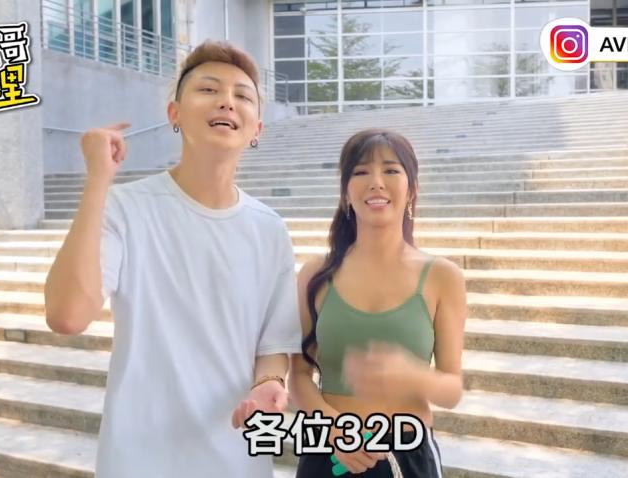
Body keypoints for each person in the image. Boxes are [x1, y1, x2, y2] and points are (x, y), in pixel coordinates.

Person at [44, 40, 302, 477]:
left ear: (257, 128)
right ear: (174, 114)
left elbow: (274, 345)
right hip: (139, 459)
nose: (227, 101)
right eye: (208, 89)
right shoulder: (126, 207)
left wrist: (268, 384)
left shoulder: (269, 228)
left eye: (242, 95)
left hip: (237, 458)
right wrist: (98, 182)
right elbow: (67, 315)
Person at [289, 129, 467, 477]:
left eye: (390, 170)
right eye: (360, 172)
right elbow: (298, 375)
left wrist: (412, 376)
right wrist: (336, 430)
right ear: (345, 191)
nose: (376, 182)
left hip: (406, 455)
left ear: (412, 189)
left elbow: (451, 390)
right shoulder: (316, 274)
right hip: (329, 452)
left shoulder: (443, 276)